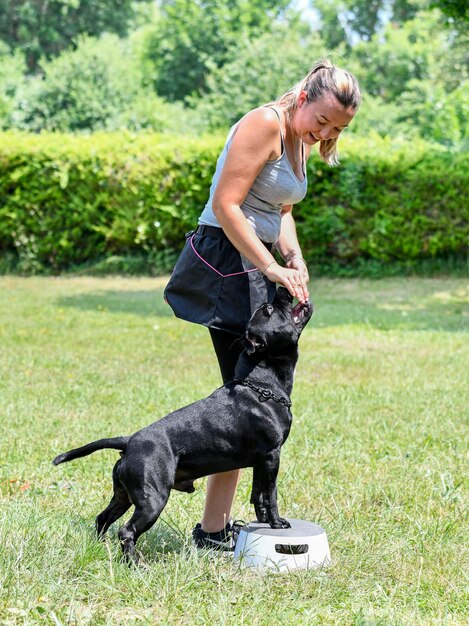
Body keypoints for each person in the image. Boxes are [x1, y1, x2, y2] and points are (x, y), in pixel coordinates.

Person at [164, 58, 361, 552]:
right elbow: (227, 204)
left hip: (256, 259)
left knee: (245, 398)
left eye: (337, 128)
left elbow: (281, 209)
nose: (326, 133)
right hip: (228, 261)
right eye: (323, 121)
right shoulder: (264, 123)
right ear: (303, 97)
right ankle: (211, 531)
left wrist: (291, 255)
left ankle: (215, 528)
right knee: (244, 399)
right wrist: (270, 267)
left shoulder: (300, 138)